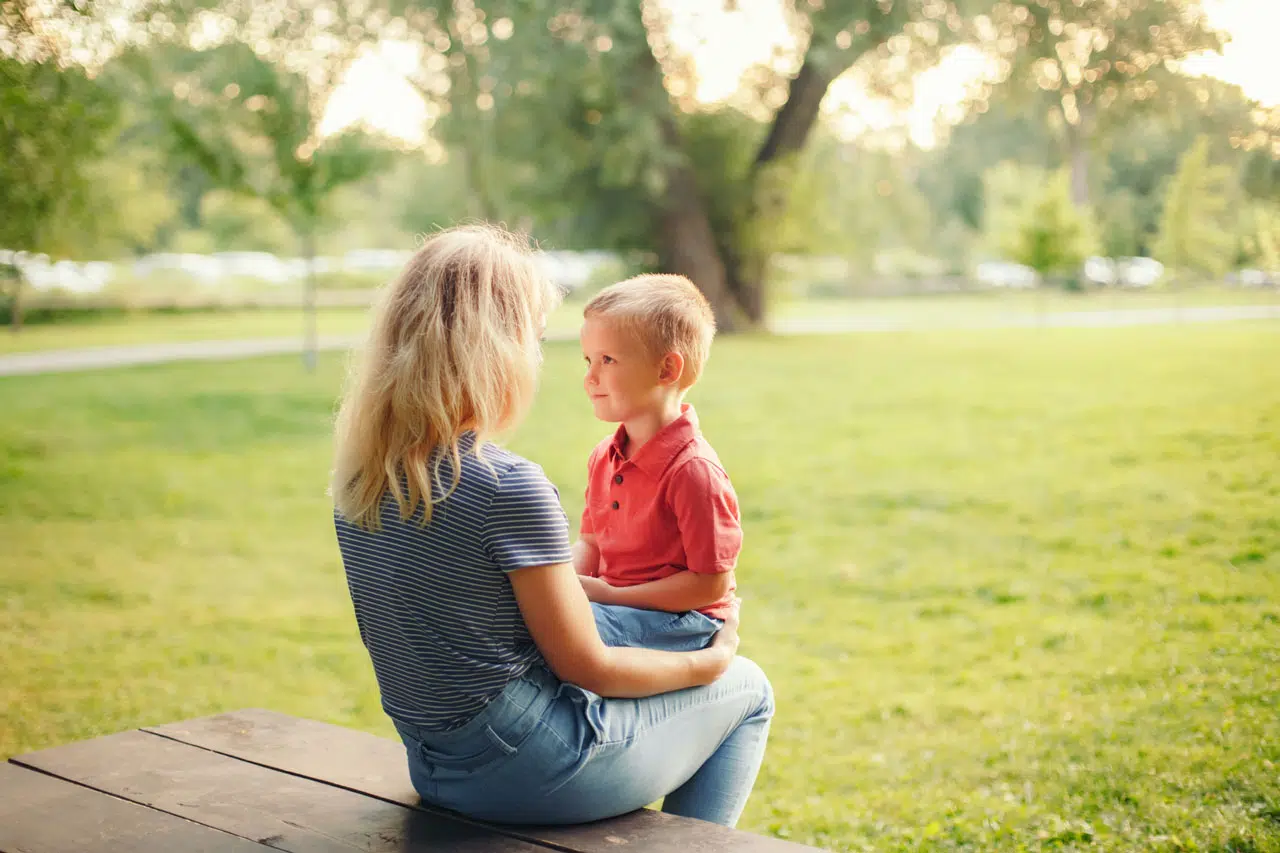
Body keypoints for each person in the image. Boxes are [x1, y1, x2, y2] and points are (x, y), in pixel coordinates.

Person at [330, 225, 774, 828]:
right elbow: (589, 667)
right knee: (748, 690)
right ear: (494, 350)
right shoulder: (504, 485)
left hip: (432, 764)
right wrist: (711, 663)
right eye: (534, 340)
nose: (542, 361)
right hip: (532, 771)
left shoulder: (360, 482)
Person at [574, 275, 741, 654]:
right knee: (535, 618)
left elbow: (709, 585)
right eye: (588, 360)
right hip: (619, 608)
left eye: (607, 360)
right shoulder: (605, 455)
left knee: (565, 637)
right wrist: (560, 584)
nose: (590, 377)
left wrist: (608, 594)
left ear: (666, 370)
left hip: (687, 620)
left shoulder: (693, 471)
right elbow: (591, 543)